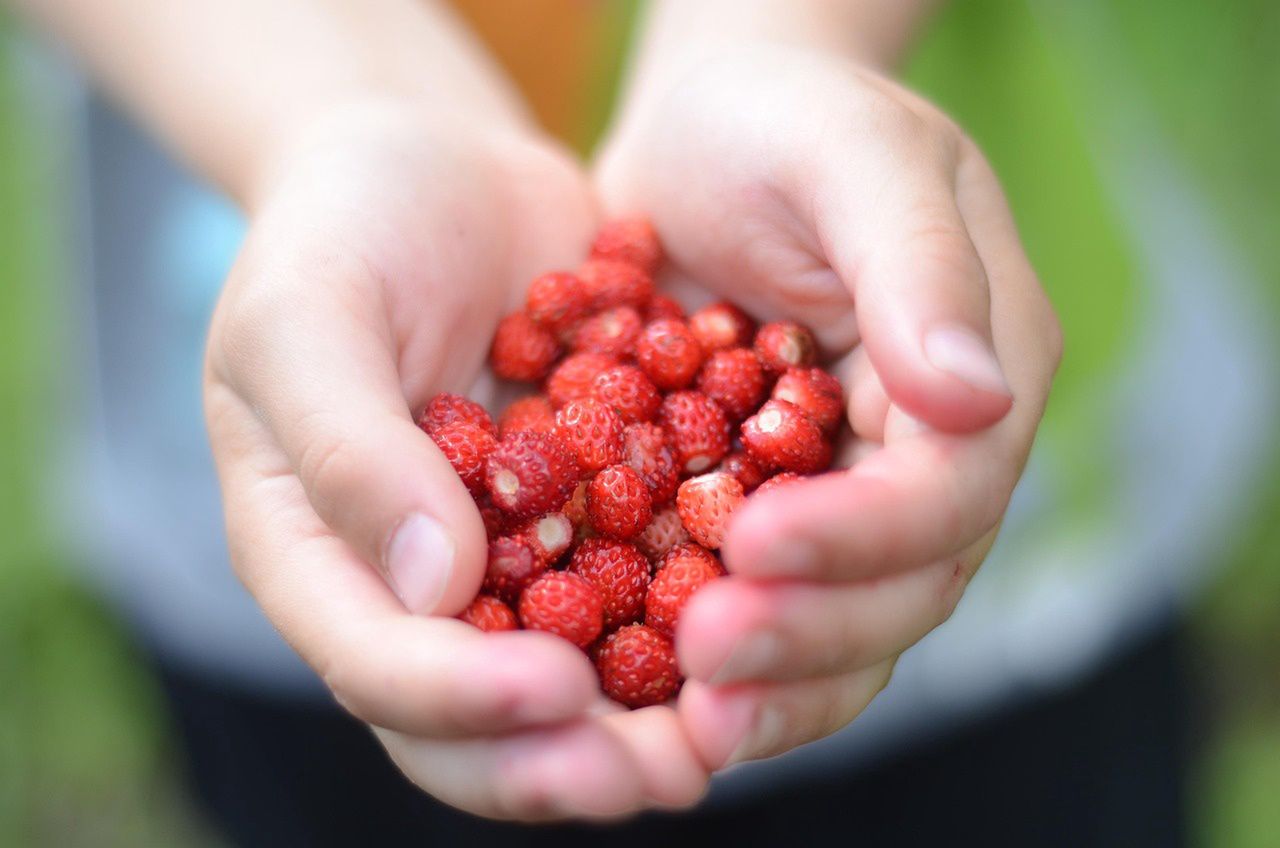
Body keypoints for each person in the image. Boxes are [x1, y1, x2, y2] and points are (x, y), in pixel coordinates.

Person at [10, 0, 1269, 844]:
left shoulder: (648, 441)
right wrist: (328, 112)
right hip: (290, 531)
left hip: (1019, 595)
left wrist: (780, 38)